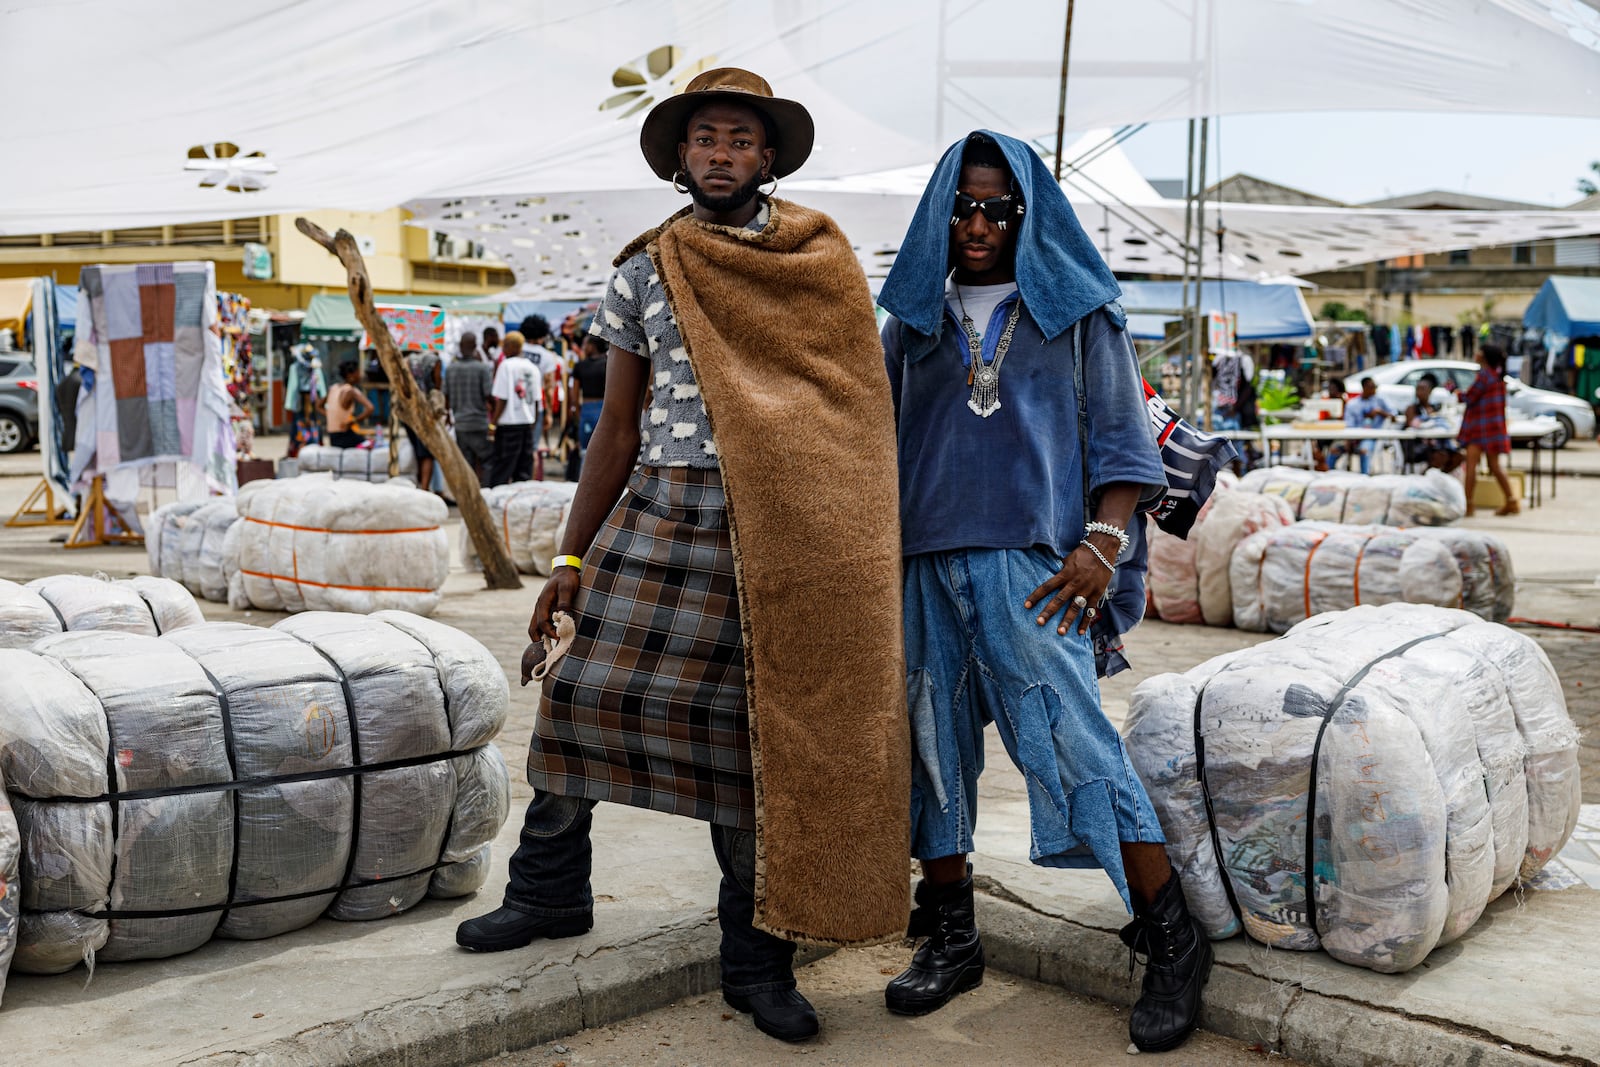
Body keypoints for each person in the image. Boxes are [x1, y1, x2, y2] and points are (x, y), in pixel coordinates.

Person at [455, 67, 910, 1045]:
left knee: (760, 740)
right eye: (705, 138)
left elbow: (853, 414)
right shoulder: (642, 269)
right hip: (663, 503)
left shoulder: (818, 260)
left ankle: (756, 961)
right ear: (678, 156)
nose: (721, 155)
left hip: (782, 525)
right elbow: (614, 427)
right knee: (579, 693)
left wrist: (853, 546)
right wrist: (569, 561)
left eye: (741, 140)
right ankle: (546, 890)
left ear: (770, 156)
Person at [876, 131, 1208, 1055]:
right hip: (921, 561)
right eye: (964, 207)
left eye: (999, 209)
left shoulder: (1079, 310)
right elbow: (874, 446)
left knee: (1073, 741)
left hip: (1037, 570)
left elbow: (1121, 441)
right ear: (941, 212)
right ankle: (952, 936)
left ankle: (1169, 935)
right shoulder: (911, 317)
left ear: (1027, 216)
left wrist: (1103, 544)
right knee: (930, 749)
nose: (979, 225)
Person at [1461, 343, 1519, 516]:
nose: (1476, 353)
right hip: (1494, 428)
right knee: (1495, 466)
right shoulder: (1497, 376)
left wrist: (1454, 392)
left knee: (1471, 465)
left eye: (1479, 351)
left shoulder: (1484, 376)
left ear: (1484, 356)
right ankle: (1511, 501)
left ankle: (1468, 505)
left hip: (1480, 428)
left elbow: (1469, 398)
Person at [488, 331, 541, 486]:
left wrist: (493, 423)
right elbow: (537, 400)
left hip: (508, 424)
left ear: (512, 346)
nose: (503, 349)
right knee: (523, 470)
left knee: (502, 469)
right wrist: (534, 421)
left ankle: (496, 505)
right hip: (526, 424)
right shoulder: (532, 367)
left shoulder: (505, 365)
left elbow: (502, 399)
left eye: (504, 345)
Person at [445, 330, 494, 483]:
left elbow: (445, 396)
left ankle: (470, 498)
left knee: (466, 464)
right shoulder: (482, 368)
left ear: (460, 346)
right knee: (487, 460)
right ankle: (485, 493)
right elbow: (489, 395)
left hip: (460, 423)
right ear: (475, 346)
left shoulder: (451, 369)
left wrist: (448, 415)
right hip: (478, 422)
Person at [1331, 376, 1397, 473]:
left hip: (1371, 437)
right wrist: (1349, 440)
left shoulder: (1380, 401)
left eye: (1375, 387)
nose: (1375, 390)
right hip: (1353, 437)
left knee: (1364, 450)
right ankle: (1328, 475)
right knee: (1334, 449)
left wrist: (1380, 412)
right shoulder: (1353, 404)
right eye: (1372, 387)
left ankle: (1364, 476)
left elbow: (1394, 416)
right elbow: (1349, 425)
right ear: (1364, 388)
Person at [1402, 372, 1463, 473]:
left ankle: (1437, 479)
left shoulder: (1436, 408)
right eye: (1418, 389)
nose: (1419, 392)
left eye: (1423, 389)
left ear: (1430, 391)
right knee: (1441, 456)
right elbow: (1411, 426)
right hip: (1418, 446)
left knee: (1458, 456)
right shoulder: (1412, 409)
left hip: (1438, 443)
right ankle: (1424, 478)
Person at [567, 333, 609, 480]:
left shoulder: (580, 366)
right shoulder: (608, 363)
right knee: (604, 448)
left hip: (587, 408)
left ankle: (584, 480)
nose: (583, 348)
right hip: (605, 408)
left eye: (585, 345)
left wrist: (577, 413)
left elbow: (574, 395)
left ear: (592, 346)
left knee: (585, 448)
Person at [519, 315, 564, 447]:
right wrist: (548, 414)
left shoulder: (516, 349)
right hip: (535, 406)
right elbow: (549, 388)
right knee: (532, 449)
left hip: (512, 405)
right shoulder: (547, 357)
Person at [406, 345, 443, 494]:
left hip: (409, 411)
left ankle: (421, 485)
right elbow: (437, 383)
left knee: (418, 451)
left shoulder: (407, 360)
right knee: (428, 453)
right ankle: (425, 489)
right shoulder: (434, 360)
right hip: (425, 412)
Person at [324, 361, 372, 449]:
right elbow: (370, 408)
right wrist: (353, 421)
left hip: (332, 437)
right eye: (358, 372)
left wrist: (332, 416)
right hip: (344, 436)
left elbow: (318, 406)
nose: (360, 375)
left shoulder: (333, 388)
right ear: (351, 375)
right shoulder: (350, 390)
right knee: (370, 443)